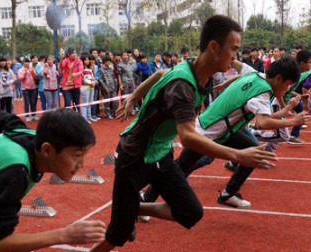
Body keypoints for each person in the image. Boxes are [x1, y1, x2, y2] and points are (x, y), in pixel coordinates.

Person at [90, 15, 275, 252]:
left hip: (160, 152)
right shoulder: (184, 85)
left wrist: (134, 97)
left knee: (191, 212)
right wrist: (238, 156)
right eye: (233, 50)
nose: (235, 57)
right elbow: (187, 137)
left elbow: (158, 76)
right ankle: (127, 213)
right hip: (134, 155)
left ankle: (134, 207)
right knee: (117, 235)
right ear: (214, 47)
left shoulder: (195, 71)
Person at [142, 58, 308, 209]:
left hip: (221, 128)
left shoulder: (255, 74)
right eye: (288, 85)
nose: (287, 90)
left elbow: (235, 63)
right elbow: (262, 123)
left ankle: (229, 193)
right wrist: (292, 121)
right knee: (180, 167)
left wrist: (226, 80)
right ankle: (145, 199)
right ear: (278, 78)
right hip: (207, 132)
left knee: (253, 148)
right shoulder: (262, 93)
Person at [0, 108, 107, 251]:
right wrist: (64, 235)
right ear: (47, 150)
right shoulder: (13, 172)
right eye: (77, 155)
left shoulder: (23, 132)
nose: (82, 164)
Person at [60, 48, 83, 112]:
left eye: (75, 53)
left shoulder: (79, 61)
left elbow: (81, 71)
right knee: (67, 103)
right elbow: (61, 66)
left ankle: (76, 118)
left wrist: (76, 74)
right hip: (66, 86)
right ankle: (65, 119)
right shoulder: (65, 60)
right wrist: (61, 57)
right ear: (68, 54)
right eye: (73, 53)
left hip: (75, 85)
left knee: (76, 104)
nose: (74, 54)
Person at [81, 55, 96, 123]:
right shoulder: (81, 69)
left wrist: (94, 81)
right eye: (86, 60)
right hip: (85, 88)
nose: (87, 61)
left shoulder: (89, 69)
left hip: (91, 87)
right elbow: (82, 79)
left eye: (88, 59)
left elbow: (92, 77)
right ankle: (84, 118)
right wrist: (89, 83)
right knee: (85, 103)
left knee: (90, 102)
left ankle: (89, 116)